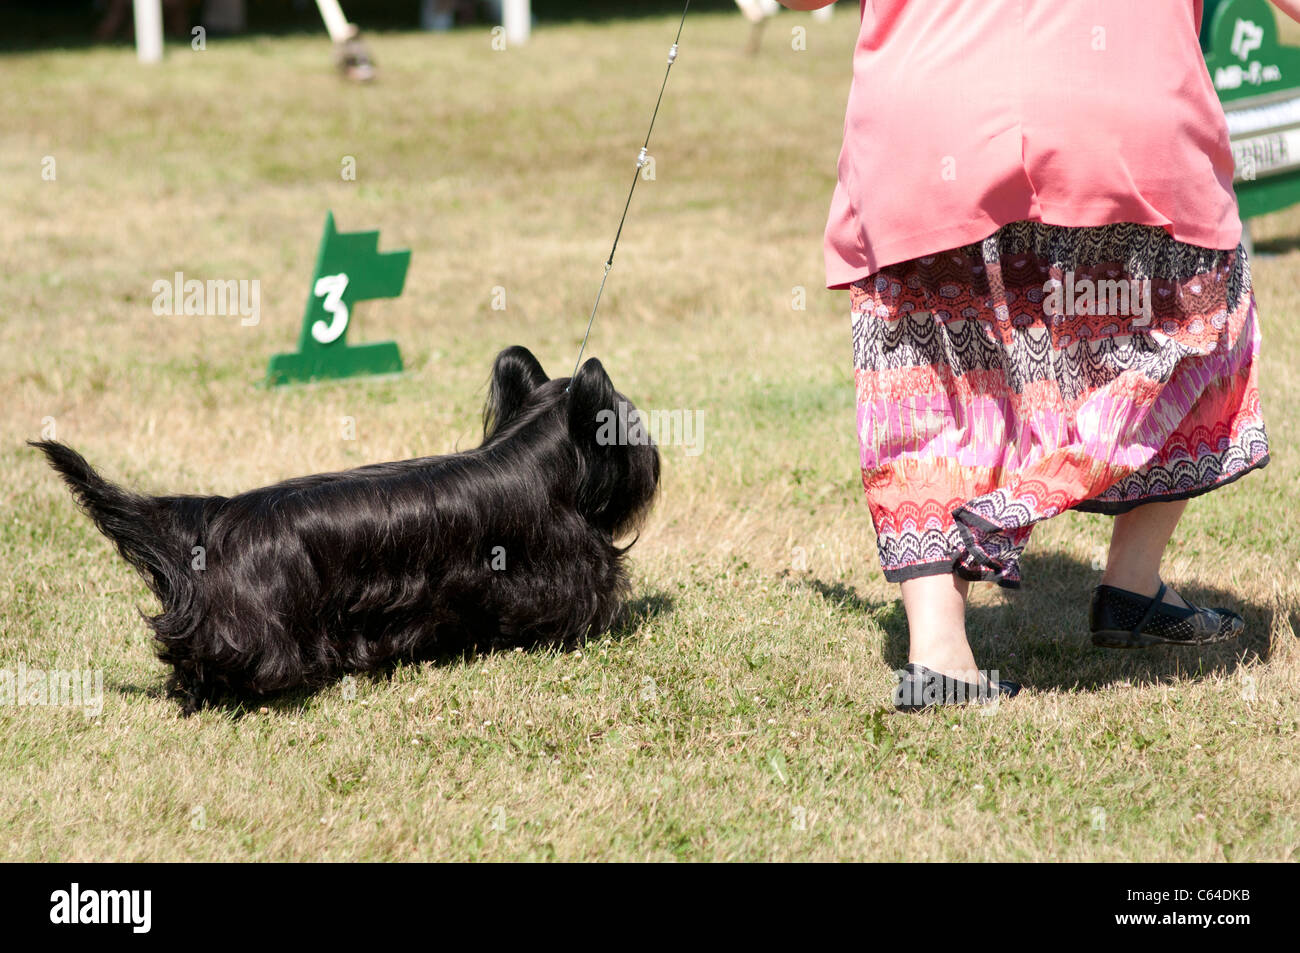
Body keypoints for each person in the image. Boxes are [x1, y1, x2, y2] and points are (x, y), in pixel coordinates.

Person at [780, 0, 1297, 710]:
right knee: (1198, 329)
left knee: (929, 383)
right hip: (1118, 125)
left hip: (924, 130)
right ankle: (1049, 526)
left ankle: (942, 653)